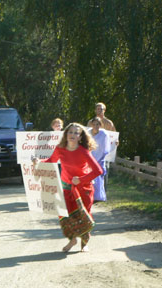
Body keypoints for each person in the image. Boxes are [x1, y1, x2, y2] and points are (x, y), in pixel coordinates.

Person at [33, 123, 102, 253]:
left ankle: (84, 243)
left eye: (76, 133)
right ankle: (72, 240)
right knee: (65, 216)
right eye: (70, 132)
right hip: (66, 188)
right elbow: (50, 161)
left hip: (83, 190)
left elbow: (98, 171)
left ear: (80, 137)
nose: (73, 135)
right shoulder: (60, 149)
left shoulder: (83, 151)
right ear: (66, 134)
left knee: (83, 216)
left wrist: (81, 180)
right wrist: (38, 162)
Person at [87, 102, 117, 192]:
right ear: (95, 110)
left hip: (104, 151)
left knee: (104, 170)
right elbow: (87, 135)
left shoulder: (109, 123)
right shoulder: (90, 122)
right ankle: (92, 190)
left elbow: (114, 136)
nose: (99, 111)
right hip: (93, 151)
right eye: (97, 109)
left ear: (104, 110)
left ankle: (103, 191)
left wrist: (116, 141)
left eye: (101, 109)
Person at [88, 117, 111, 202]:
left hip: (100, 158)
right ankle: (90, 194)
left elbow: (106, 148)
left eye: (98, 124)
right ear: (91, 125)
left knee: (98, 177)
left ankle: (98, 196)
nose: (96, 126)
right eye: (94, 124)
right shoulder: (88, 133)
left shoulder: (104, 134)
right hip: (90, 157)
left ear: (100, 125)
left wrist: (101, 157)